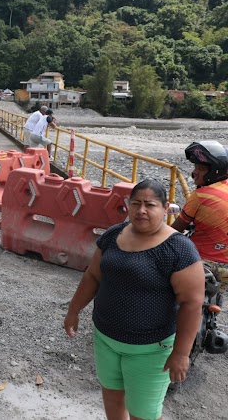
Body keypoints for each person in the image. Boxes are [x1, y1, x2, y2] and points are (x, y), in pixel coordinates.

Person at [64, 179, 205, 420]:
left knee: (144, 414)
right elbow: (93, 275)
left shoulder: (179, 249)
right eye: (136, 203)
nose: (141, 210)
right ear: (128, 205)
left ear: (165, 208)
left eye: (150, 205)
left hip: (151, 350)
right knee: (112, 397)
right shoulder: (113, 235)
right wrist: (74, 310)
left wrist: (181, 353)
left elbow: (191, 303)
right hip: (106, 339)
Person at [171, 140, 228, 283]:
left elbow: (175, 231)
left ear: (215, 171)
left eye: (201, 168)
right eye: (195, 167)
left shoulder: (200, 196)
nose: (194, 172)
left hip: (202, 262)